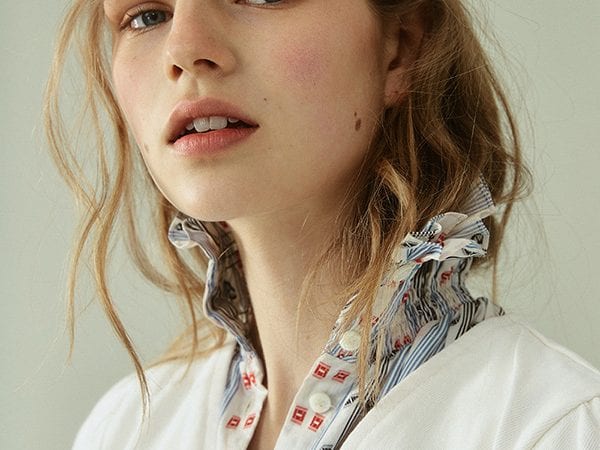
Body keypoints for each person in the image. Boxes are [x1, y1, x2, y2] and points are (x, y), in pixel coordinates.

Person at [45, 0, 600, 448]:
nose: (184, 50)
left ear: (400, 47)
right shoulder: (125, 430)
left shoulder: (555, 428)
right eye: (146, 16)